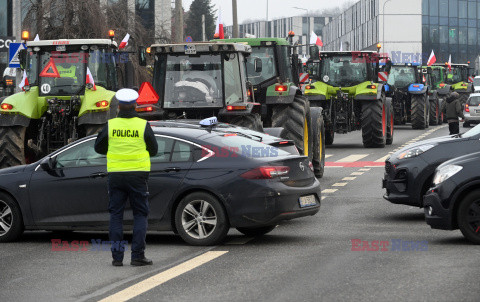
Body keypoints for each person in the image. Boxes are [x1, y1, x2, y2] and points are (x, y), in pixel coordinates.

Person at [94, 88, 158, 267]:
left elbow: (98, 148)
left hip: (115, 175)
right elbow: (154, 149)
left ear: (119, 106)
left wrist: (115, 151)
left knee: (116, 215)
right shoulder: (143, 125)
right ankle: (137, 256)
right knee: (140, 214)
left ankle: (117, 258)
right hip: (138, 175)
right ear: (135, 105)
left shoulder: (111, 125)